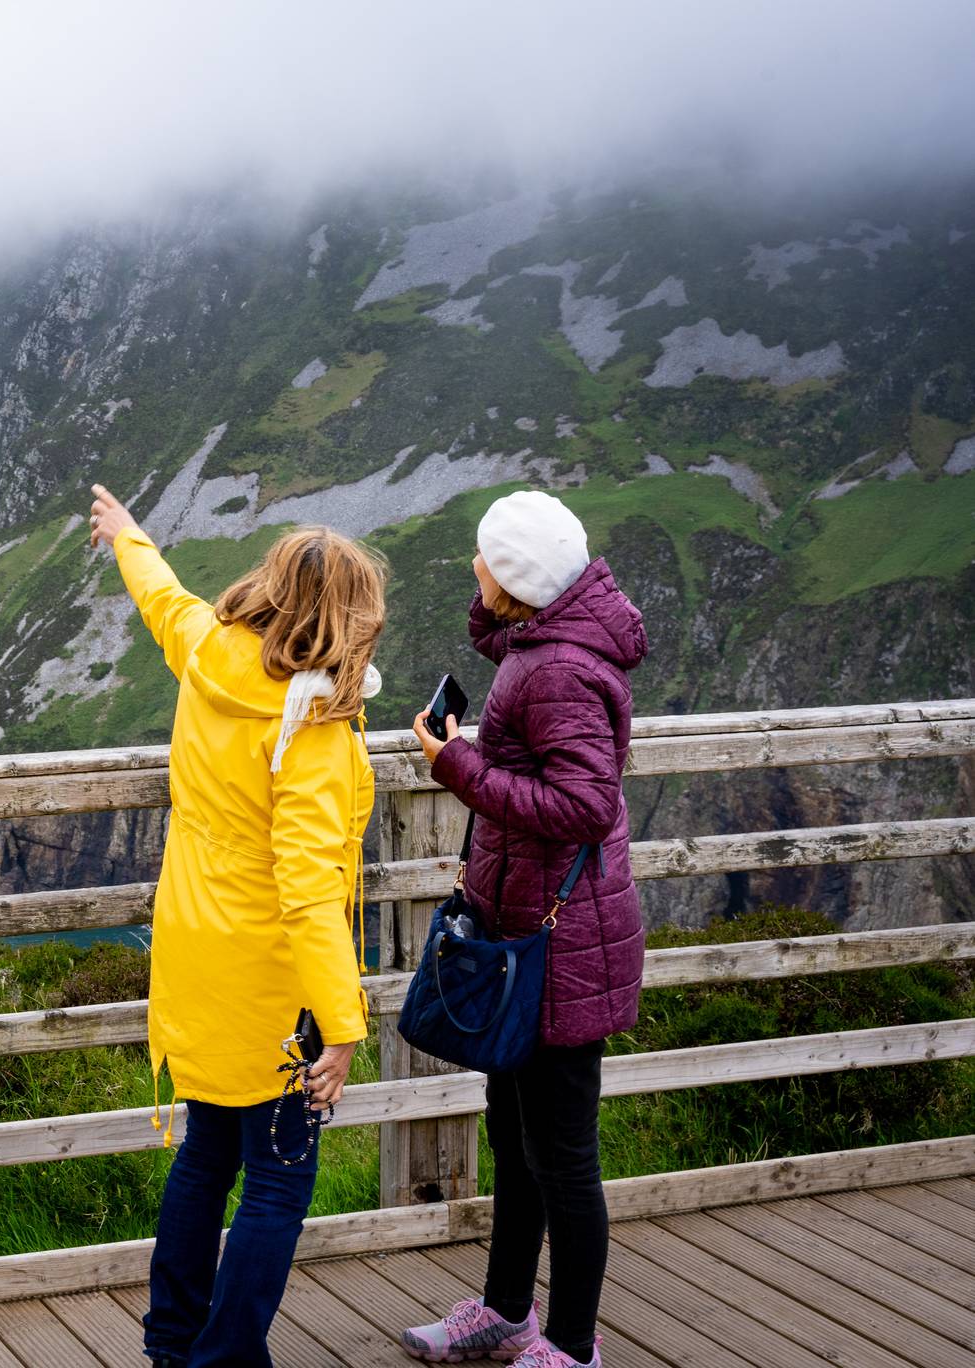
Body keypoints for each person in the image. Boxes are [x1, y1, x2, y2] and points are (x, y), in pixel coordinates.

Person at [87, 483, 386, 1368]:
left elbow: (166, 604)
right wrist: (341, 1023)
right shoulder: (314, 733)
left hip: (193, 951)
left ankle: (174, 1342)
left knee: (208, 1150)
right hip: (272, 982)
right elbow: (305, 888)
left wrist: (130, 537)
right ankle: (220, 1362)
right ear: (347, 618)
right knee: (278, 1183)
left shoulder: (211, 654)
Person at [402, 490, 648, 1368]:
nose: (474, 565)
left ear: (516, 579)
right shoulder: (547, 647)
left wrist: (455, 763)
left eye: (487, 559)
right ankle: (509, 1313)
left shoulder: (555, 670)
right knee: (517, 1137)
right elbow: (507, 654)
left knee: (564, 1159)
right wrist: (474, 745)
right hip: (531, 935)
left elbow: (583, 805)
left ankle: (572, 1348)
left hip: (559, 946)